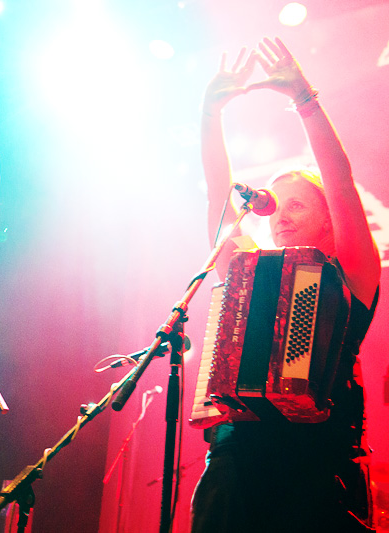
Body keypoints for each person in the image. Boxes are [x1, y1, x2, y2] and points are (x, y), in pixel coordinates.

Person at [190, 38, 381, 533]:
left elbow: (340, 183)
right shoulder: (245, 269)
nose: (282, 216)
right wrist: (211, 116)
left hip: (312, 471)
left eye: (298, 205)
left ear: (328, 222)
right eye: (278, 205)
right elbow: (219, 194)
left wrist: (305, 100)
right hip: (233, 468)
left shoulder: (352, 276)